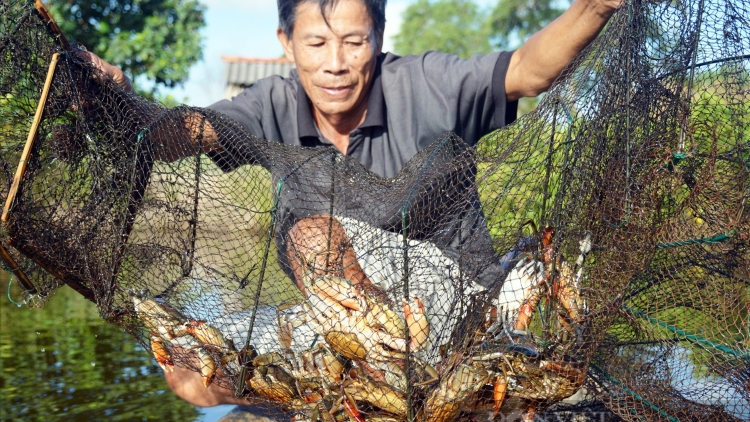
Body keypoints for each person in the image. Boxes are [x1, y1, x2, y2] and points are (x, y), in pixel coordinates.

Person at [84, 0, 622, 407]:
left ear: (380, 36)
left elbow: (528, 69)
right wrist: (120, 106)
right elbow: (186, 131)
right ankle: (353, 390)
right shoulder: (271, 103)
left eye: (353, 42)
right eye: (316, 44)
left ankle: (395, 382)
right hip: (347, 321)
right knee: (190, 376)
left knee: (311, 237)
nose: (335, 65)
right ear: (286, 42)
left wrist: (595, 6)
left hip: (457, 309)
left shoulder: (426, 84)